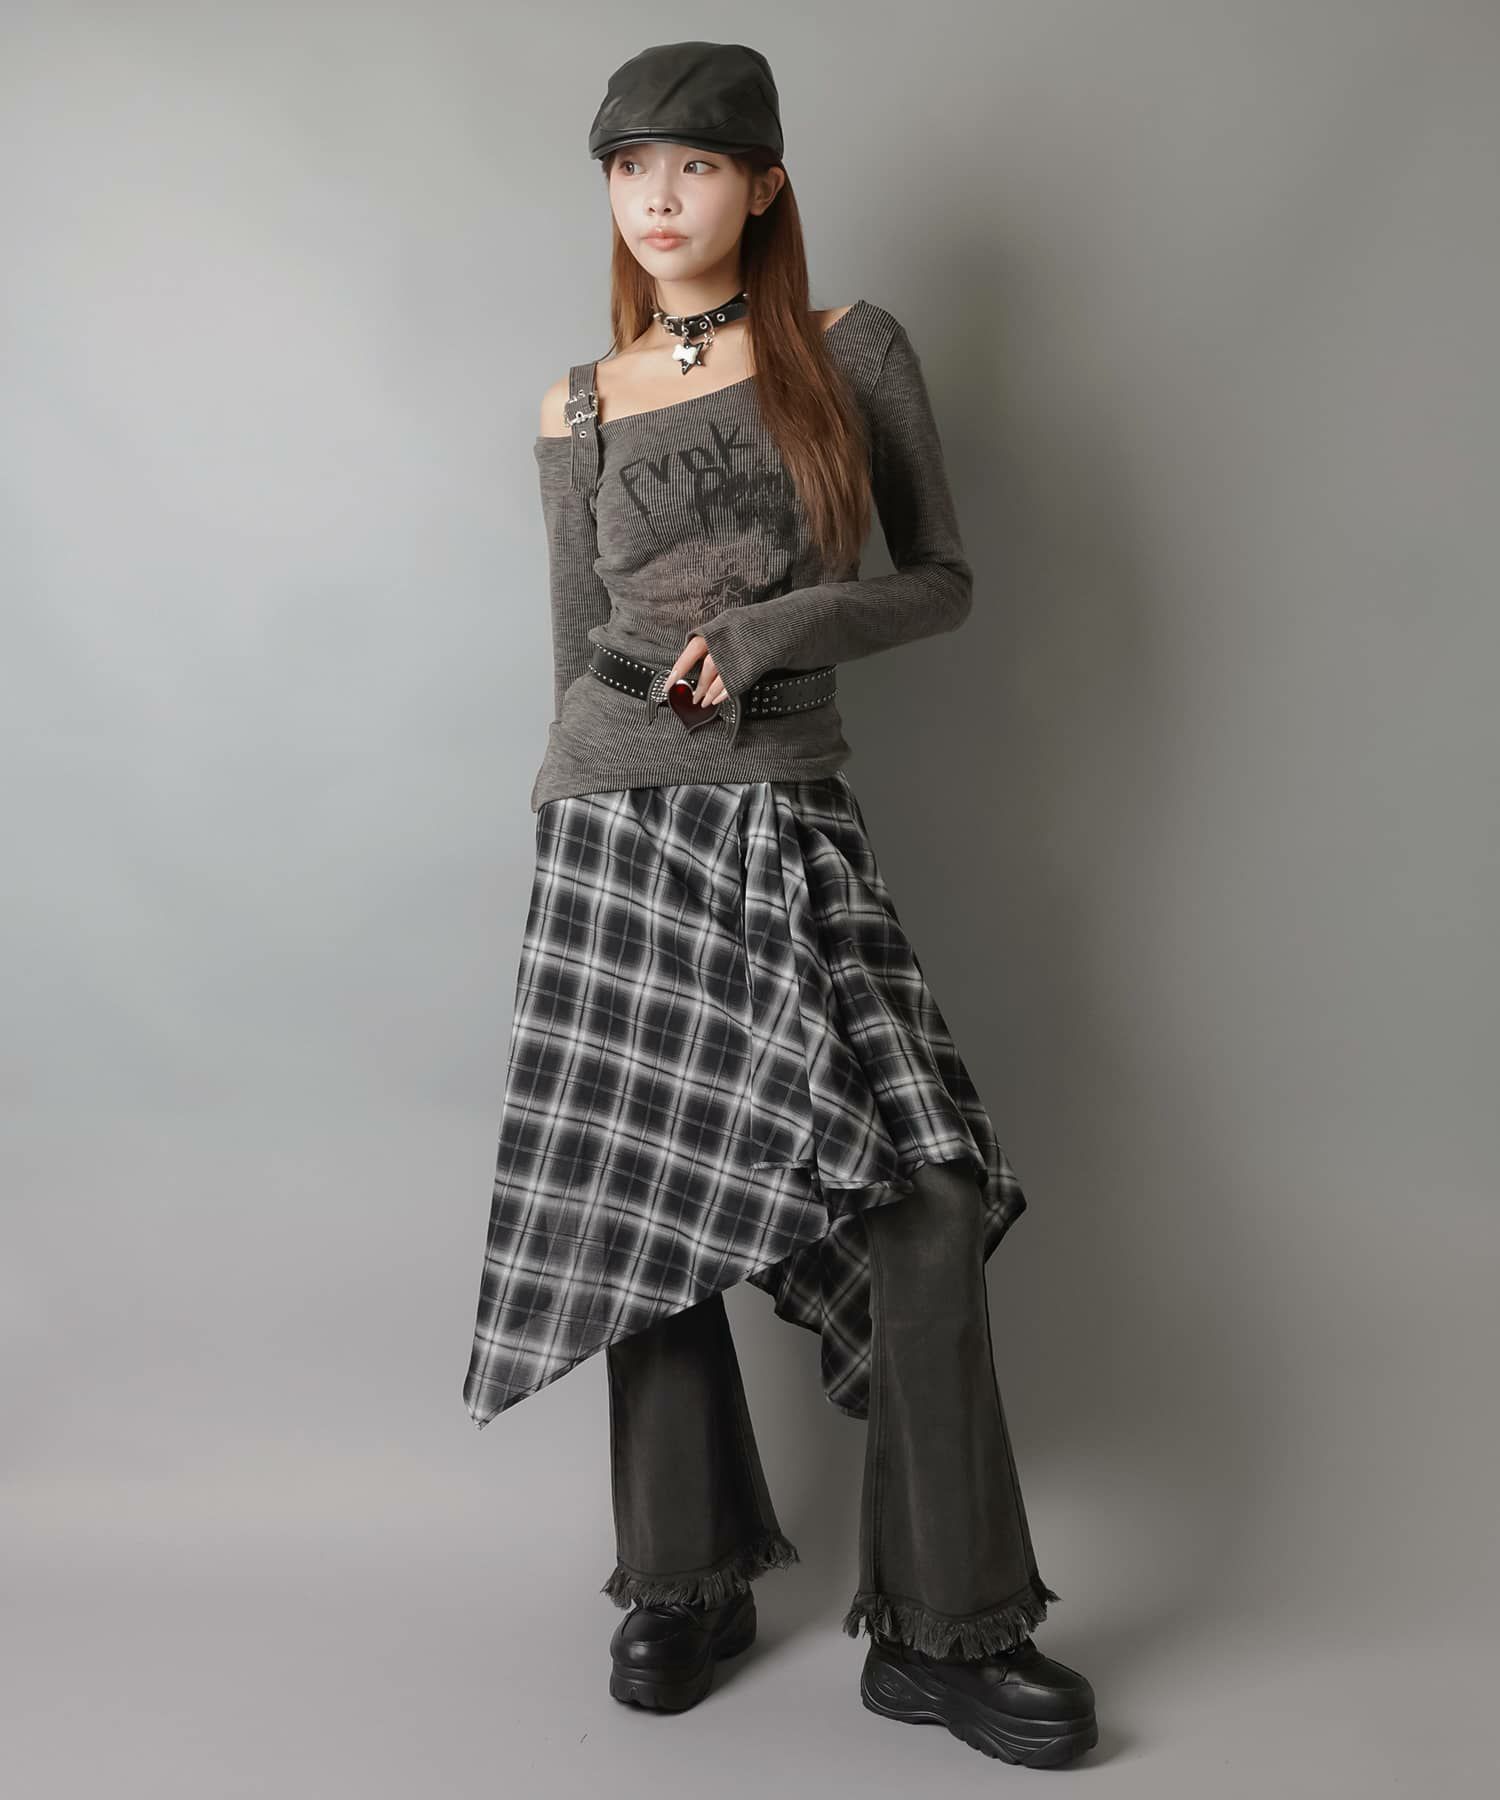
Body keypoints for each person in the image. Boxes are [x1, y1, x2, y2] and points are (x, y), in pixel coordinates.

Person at [461, 39, 1098, 1769]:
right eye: (628, 168)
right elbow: (568, 658)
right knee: (641, 1203)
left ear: (764, 184)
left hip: (788, 815)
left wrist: (769, 632)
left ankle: (950, 1633)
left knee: (922, 1198)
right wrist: (572, 832)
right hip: (612, 822)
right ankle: (684, 1583)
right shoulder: (576, 406)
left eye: (693, 164)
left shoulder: (848, 351)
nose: (657, 198)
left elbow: (940, 583)